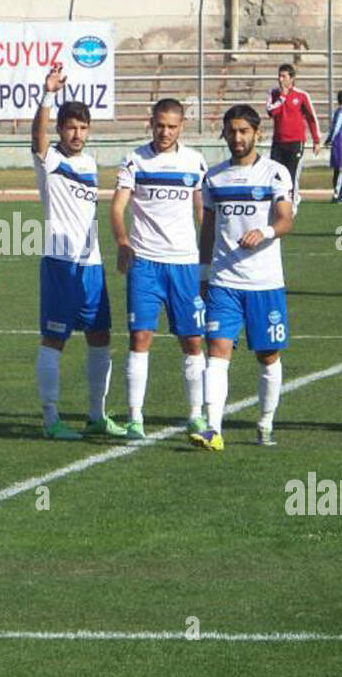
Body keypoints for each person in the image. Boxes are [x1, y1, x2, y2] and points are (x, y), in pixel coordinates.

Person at [192, 104, 295, 451]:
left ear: (257, 133)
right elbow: (208, 227)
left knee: (267, 356)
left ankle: (265, 421)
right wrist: (203, 273)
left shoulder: (275, 173)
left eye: (243, 131)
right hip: (224, 282)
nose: (237, 137)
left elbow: (285, 220)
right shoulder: (215, 177)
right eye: (231, 131)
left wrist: (264, 231)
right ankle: (213, 428)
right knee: (217, 351)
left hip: (264, 283)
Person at [31, 63, 122, 440]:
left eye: (83, 128)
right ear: (60, 129)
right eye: (70, 127)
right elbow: (37, 139)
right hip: (59, 261)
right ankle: (51, 419)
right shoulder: (50, 159)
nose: (77, 134)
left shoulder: (89, 162)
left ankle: (96, 415)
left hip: (91, 264)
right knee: (55, 339)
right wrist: (47, 94)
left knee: (100, 335)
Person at [110, 98, 209, 439]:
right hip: (145, 262)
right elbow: (118, 206)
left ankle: (196, 415)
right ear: (150, 123)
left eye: (172, 126)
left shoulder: (195, 161)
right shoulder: (135, 159)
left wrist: (210, 253)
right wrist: (123, 242)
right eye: (160, 125)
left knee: (193, 340)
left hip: (184, 263)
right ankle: (135, 418)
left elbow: (202, 211)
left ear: (182, 126)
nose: (165, 132)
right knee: (140, 337)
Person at [265, 63, 320, 204]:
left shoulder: (301, 96)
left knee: (292, 174)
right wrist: (282, 98)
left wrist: (316, 140)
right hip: (278, 141)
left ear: (292, 78)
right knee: (275, 174)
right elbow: (271, 112)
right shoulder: (272, 94)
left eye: (284, 76)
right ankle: (276, 202)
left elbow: (311, 118)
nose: (280, 79)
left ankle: (292, 203)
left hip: (296, 142)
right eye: (279, 75)